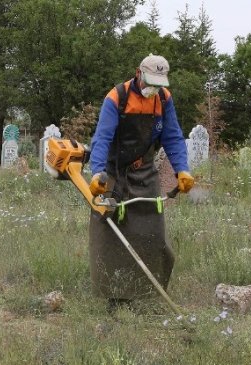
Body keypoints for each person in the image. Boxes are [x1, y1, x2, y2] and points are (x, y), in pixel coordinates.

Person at [87, 53, 194, 312]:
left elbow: (173, 137)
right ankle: (114, 295)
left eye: (159, 84)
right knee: (111, 231)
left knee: (151, 230)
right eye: (149, 82)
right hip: (113, 171)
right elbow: (102, 138)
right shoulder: (117, 98)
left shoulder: (164, 100)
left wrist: (183, 170)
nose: (152, 89)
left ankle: (146, 292)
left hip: (145, 171)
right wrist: (97, 173)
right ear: (138, 73)